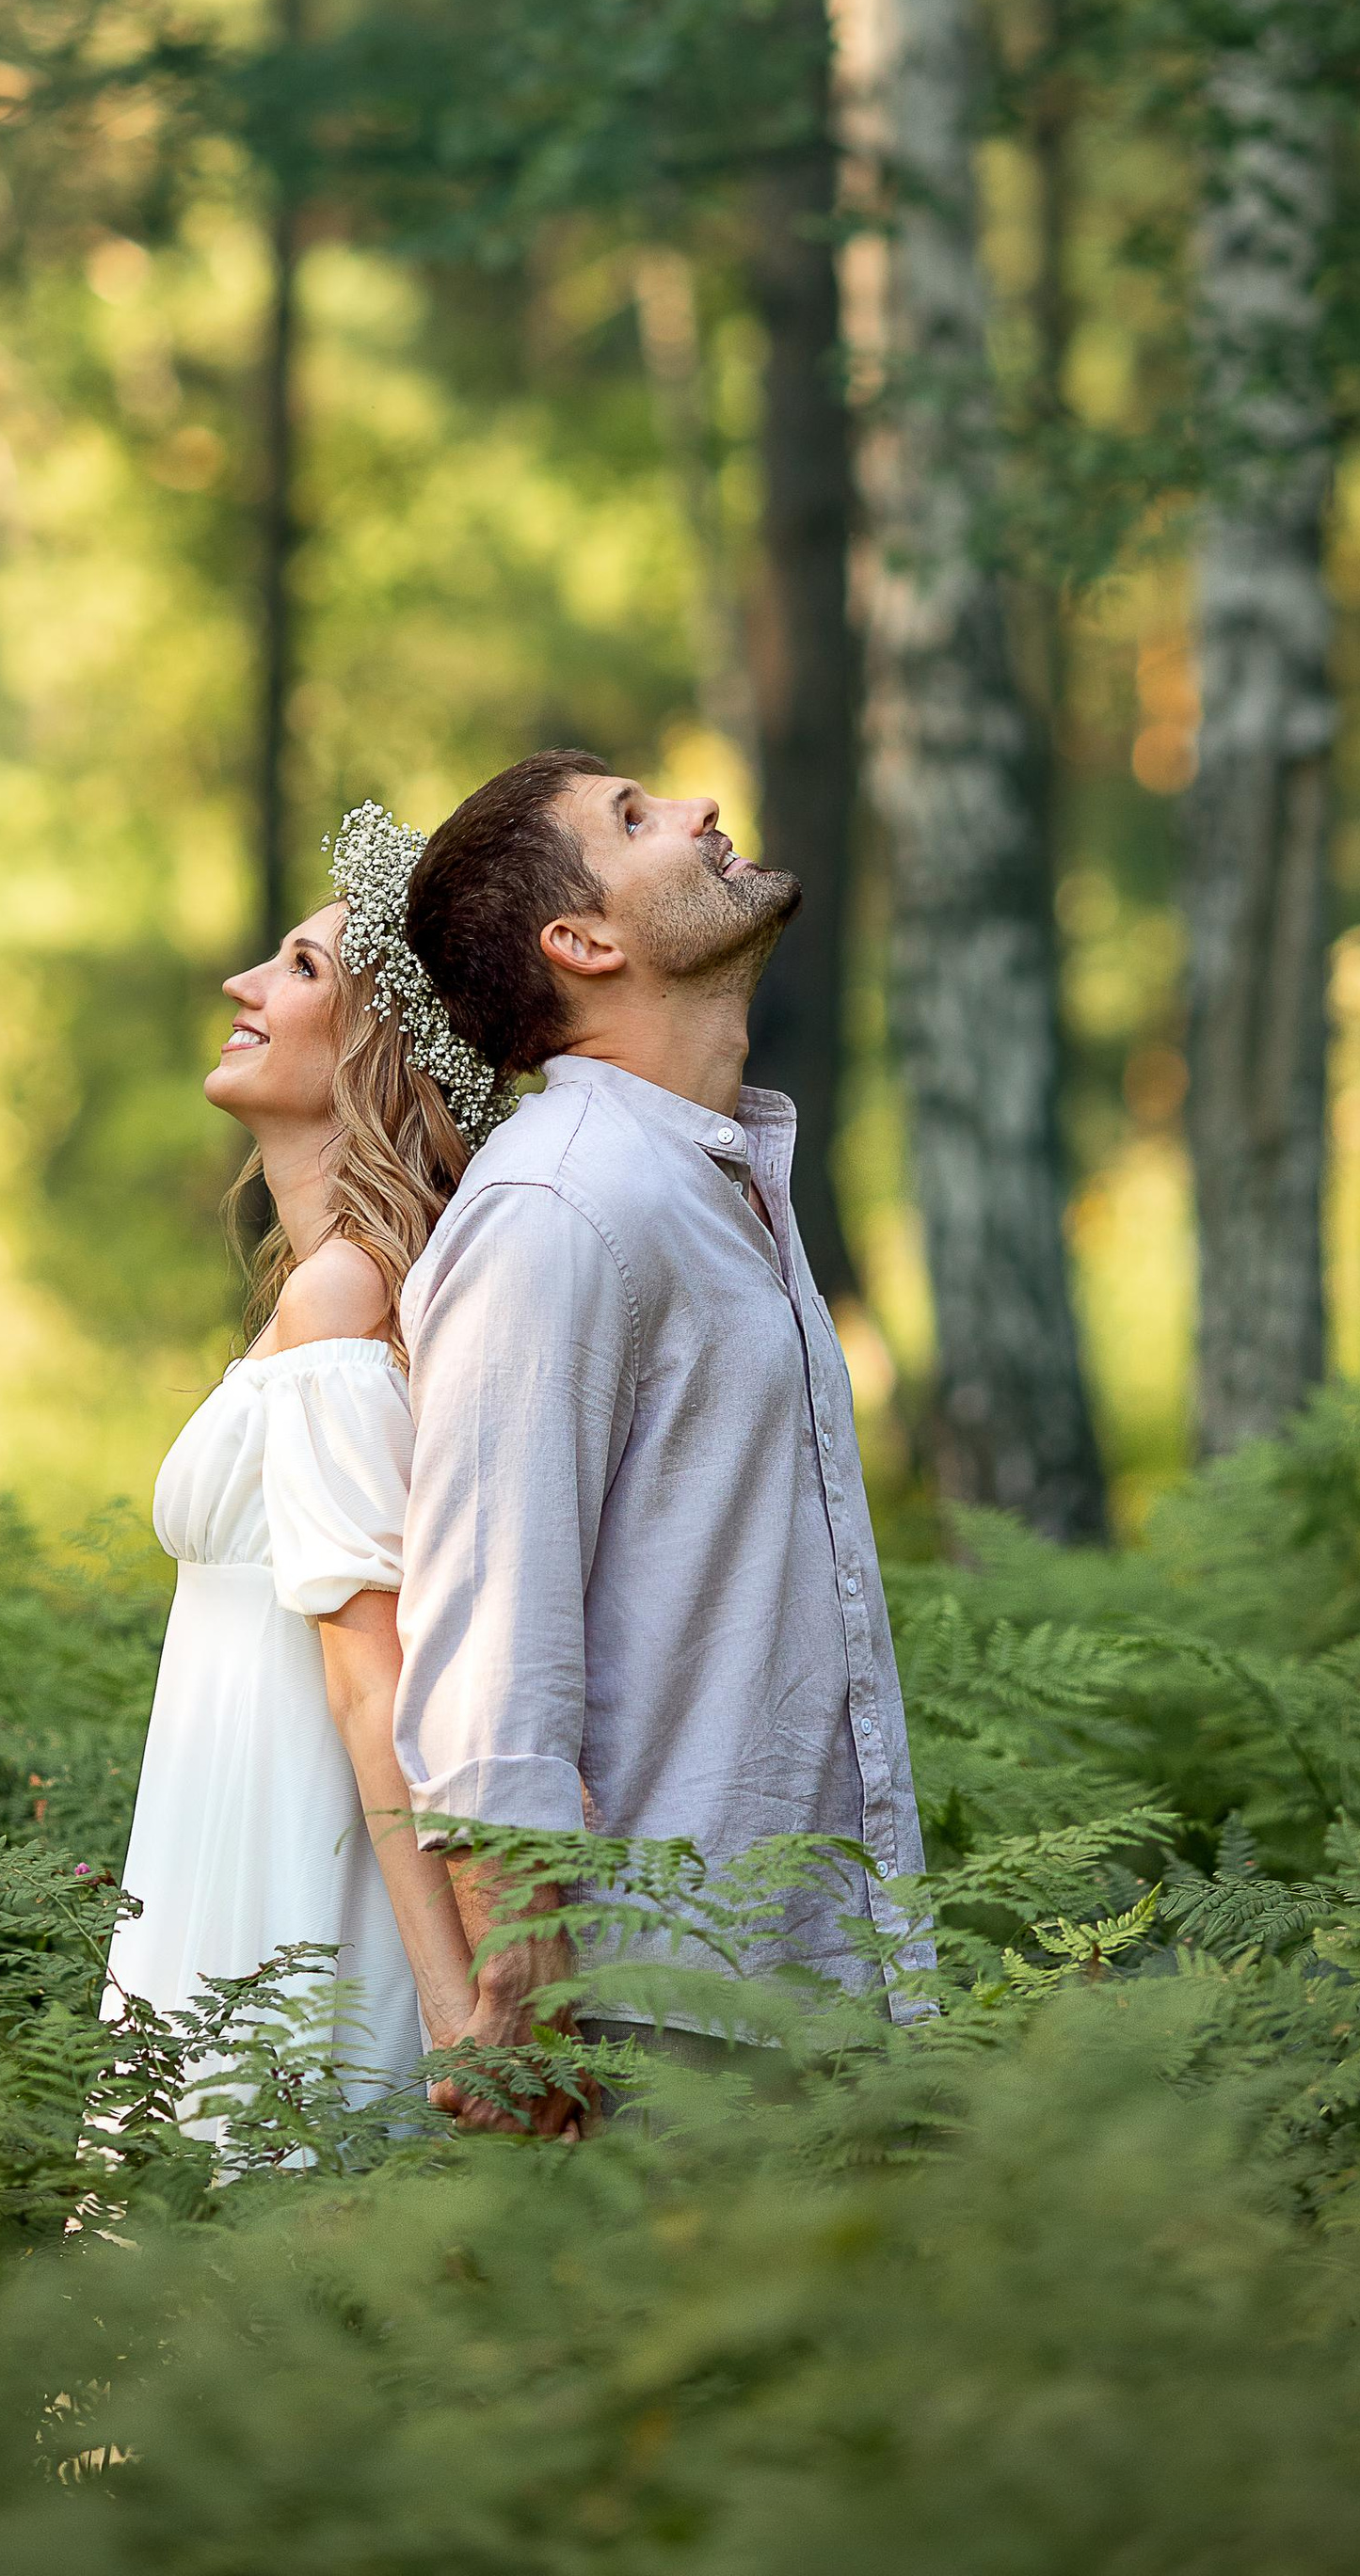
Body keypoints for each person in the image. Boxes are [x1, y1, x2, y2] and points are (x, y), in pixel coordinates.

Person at [395, 750, 926, 2136]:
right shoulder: (560, 1207)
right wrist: (523, 1976)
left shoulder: (711, 1173)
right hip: (659, 2018)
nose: (697, 807)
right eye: (634, 819)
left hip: (807, 1974)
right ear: (581, 941)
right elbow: (489, 1619)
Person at [103, 806, 513, 2112]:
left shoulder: (345, 1301)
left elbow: (373, 1683)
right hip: (230, 1830)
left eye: (299, 968)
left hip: (288, 1876)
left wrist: (458, 2010)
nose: (242, 983)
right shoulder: (344, 1289)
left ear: (376, 1052)